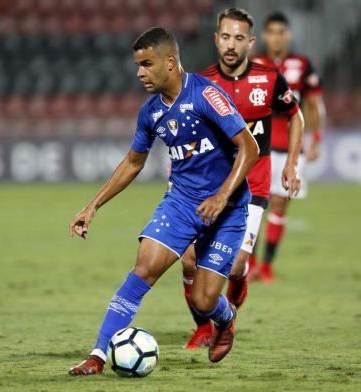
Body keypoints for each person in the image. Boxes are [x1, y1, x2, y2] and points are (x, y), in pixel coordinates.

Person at [68, 27, 259, 376]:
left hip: (226, 209)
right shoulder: (151, 112)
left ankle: (225, 317)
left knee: (204, 301)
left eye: (146, 64)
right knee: (143, 269)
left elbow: (250, 146)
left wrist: (221, 195)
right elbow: (132, 163)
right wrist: (92, 205)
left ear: (170, 62)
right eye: (137, 65)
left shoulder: (205, 95)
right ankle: (97, 355)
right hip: (182, 203)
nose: (140, 72)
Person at [180, 8, 304, 349]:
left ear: (250, 42)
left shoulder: (269, 78)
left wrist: (291, 164)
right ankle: (204, 327)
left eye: (239, 38)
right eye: (225, 37)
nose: (231, 45)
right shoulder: (202, 84)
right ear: (215, 39)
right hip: (210, 186)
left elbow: (296, 117)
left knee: (234, 266)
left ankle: (231, 307)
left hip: (254, 187)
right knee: (189, 258)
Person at [253, 12, 326, 282]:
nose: (276, 36)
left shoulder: (302, 65)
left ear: (288, 35)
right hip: (260, 146)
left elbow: (314, 105)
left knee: (281, 205)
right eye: (271, 31)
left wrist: (316, 139)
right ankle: (248, 266)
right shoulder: (254, 64)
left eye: (281, 31)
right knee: (254, 205)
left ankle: (267, 266)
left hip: (292, 146)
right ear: (264, 35)